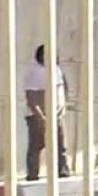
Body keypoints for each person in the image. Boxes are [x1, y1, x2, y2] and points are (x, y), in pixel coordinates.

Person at [24, 45, 70, 181]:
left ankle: (62, 171)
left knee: (60, 145)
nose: (57, 57)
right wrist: (41, 117)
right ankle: (32, 174)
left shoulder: (56, 69)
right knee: (36, 146)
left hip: (57, 114)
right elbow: (31, 98)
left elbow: (64, 87)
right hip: (39, 116)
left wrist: (63, 104)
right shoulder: (35, 73)